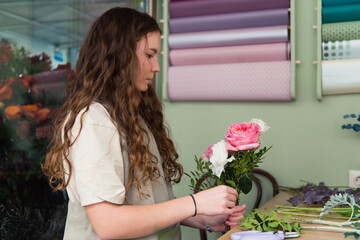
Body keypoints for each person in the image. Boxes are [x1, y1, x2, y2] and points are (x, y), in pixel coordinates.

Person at [42, 7, 246, 240]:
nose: (156, 67)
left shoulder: (132, 117)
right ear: (120, 56)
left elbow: (144, 203)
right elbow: (109, 223)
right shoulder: (93, 121)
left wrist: (201, 216)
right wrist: (193, 203)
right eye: (149, 55)